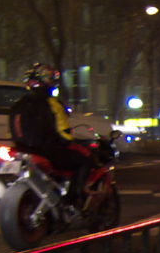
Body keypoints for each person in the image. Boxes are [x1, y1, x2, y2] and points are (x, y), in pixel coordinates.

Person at [7, 63, 95, 207]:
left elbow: (11, 132)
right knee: (84, 161)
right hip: (48, 151)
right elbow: (64, 133)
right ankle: (73, 200)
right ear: (48, 82)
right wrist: (73, 141)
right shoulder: (52, 103)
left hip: (23, 151)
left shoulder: (18, 105)